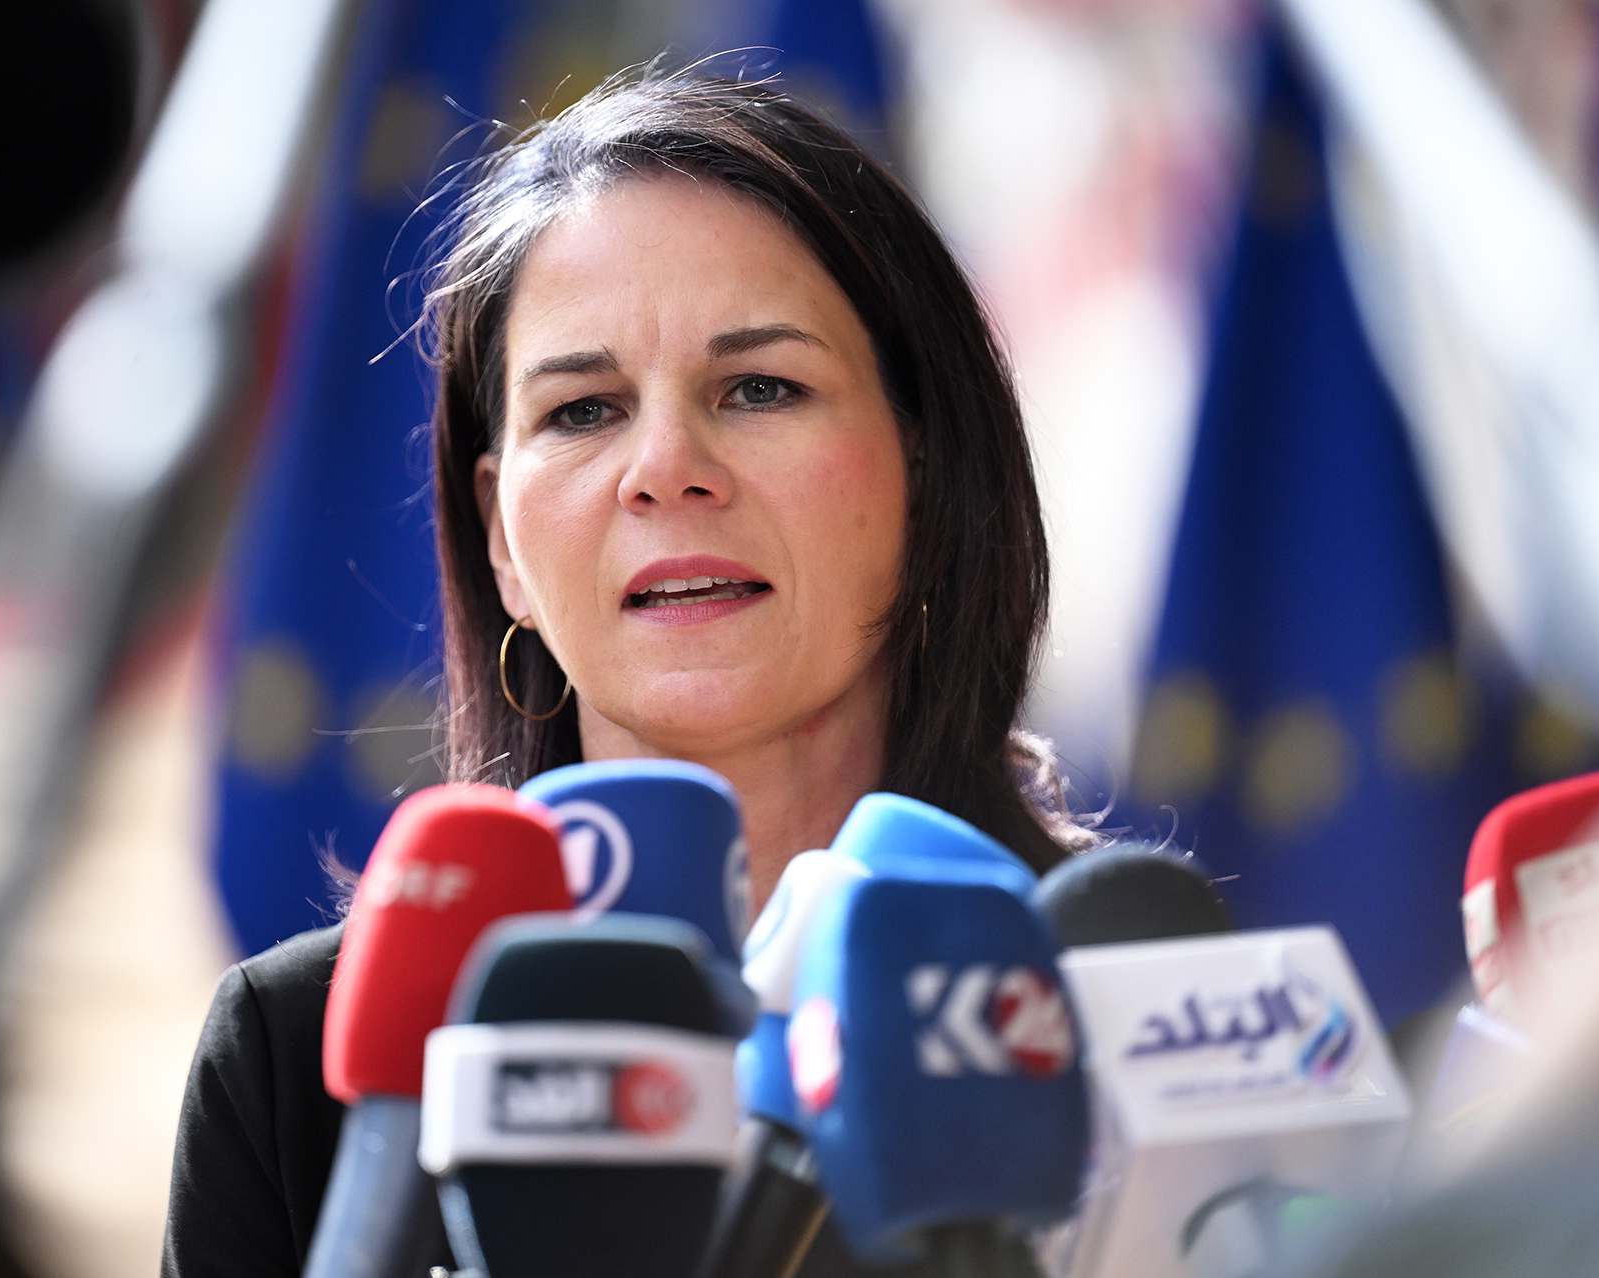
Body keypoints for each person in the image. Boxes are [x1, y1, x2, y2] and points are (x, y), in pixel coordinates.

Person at [163, 70, 1097, 1278]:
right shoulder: (305, 1061)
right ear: (499, 536)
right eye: (585, 409)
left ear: (924, 475)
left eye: (760, 388)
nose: (665, 468)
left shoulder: (1112, 993)